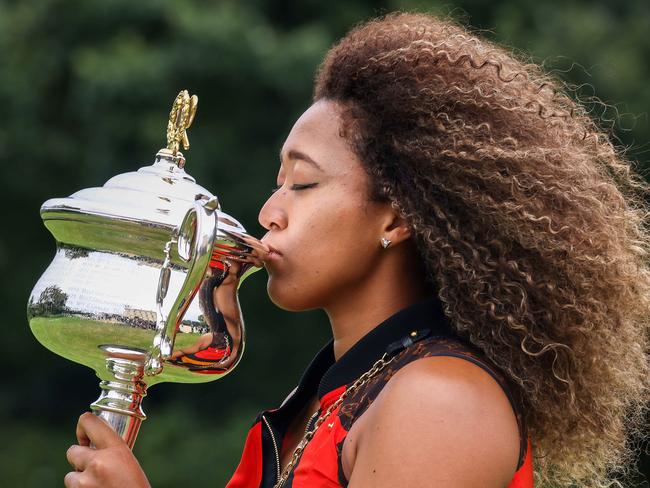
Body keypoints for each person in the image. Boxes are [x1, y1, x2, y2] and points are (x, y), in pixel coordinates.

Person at [64, 11, 650, 488]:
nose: (269, 213)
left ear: (396, 218)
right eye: (277, 183)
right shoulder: (330, 397)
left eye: (303, 184)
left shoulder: (440, 403)